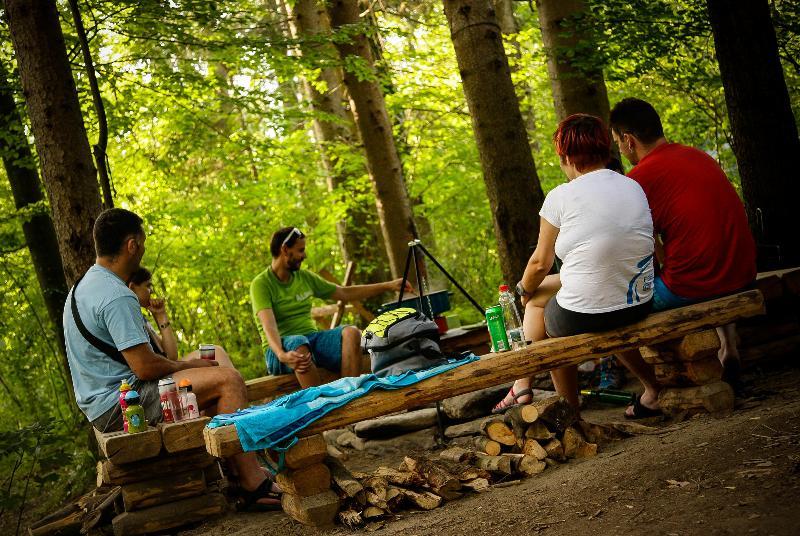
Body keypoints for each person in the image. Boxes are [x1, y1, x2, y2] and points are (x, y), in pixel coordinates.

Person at [64, 208, 280, 510]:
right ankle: (251, 481)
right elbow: (145, 366)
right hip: (122, 405)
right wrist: (191, 366)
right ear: (131, 245)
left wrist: (192, 365)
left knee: (214, 355)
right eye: (143, 242)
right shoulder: (116, 295)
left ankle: (234, 462)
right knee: (228, 381)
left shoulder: (81, 288)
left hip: (105, 398)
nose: (143, 248)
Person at [493, 114, 655, 413]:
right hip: (640, 300)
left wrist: (523, 289)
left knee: (537, 307)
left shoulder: (561, 197)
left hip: (588, 313)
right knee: (603, 308)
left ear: (566, 156)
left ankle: (563, 404)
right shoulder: (631, 186)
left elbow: (540, 262)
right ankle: (652, 388)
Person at [609, 98, 757, 416]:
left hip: (694, 285)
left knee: (608, 311)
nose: (620, 149)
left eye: (617, 142)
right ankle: (728, 347)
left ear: (628, 139)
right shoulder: (698, 156)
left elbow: (641, 249)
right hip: (744, 271)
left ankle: (651, 392)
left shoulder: (640, 180)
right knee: (705, 254)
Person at [250, 226, 412, 389]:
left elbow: (344, 293)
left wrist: (389, 285)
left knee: (351, 333)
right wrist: (282, 354)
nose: (304, 255)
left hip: (310, 341)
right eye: (300, 250)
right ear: (285, 250)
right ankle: (320, 403)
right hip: (278, 351)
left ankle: (349, 395)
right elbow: (268, 326)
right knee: (299, 344)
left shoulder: (304, 277)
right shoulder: (261, 284)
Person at [127, 267, 231, 365]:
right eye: (148, 286)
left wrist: (161, 315)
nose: (152, 291)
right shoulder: (129, 319)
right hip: (162, 377)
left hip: (169, 368)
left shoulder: (142, 319)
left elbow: (171, 355)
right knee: (217, 354)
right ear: (132, 288)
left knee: (216, 352)